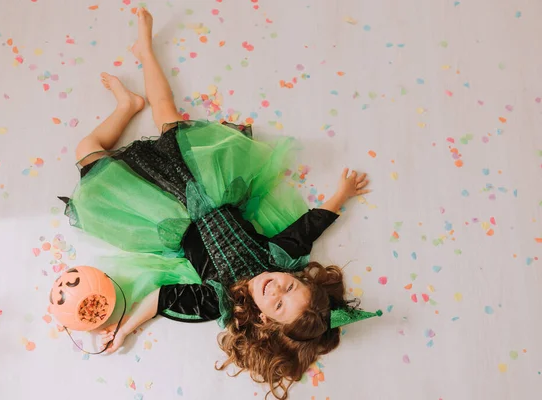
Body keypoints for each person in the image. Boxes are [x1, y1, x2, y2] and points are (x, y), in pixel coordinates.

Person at [59, 8, 381, 400]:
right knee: (168, 115)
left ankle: (126, 106)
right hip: (209, 183)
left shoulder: (218, 301)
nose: (276, 286)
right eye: (290, 285)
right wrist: (342, 193)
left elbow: (160, 300)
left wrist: (124, 328)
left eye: (277, 303)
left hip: (164, 214)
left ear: (264, 318)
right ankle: (145, 50)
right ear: (299, 277)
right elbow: (312, 223)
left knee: (86, 152)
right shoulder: (279, 256)